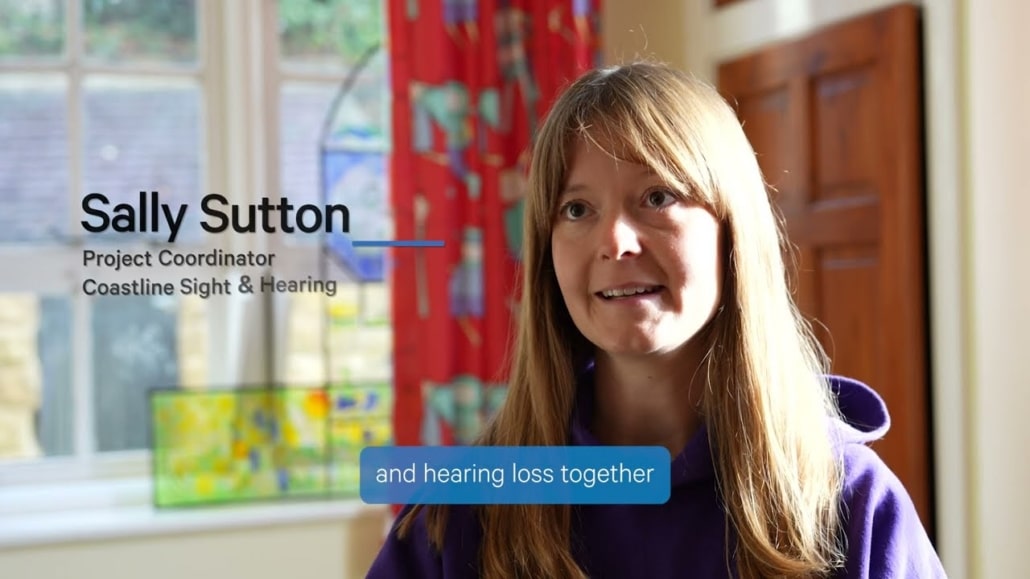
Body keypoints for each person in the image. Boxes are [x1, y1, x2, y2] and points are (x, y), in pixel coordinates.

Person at [367, 62, 946, 578]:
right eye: (576, 209)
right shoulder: (463, 513)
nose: (615, 241)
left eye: (657, 197)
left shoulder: (851, 501)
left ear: (731, 231)